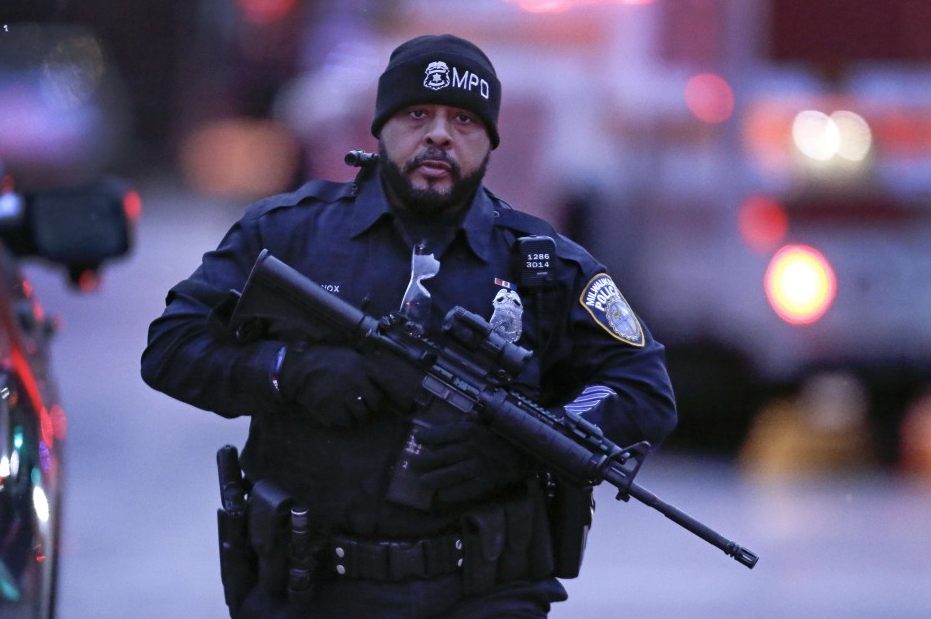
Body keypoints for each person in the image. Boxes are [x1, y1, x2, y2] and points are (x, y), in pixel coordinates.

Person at [141, 33, 677, 619]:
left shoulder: (543, 265)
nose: (440, 134)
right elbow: (173, 347)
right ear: (382, 126)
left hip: (485, 591)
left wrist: (526, 450)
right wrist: (288, 370)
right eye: (418, 113)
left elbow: (641, 385)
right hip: (310, 586)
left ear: (490, 141)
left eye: (465, 120)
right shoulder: (288, 234)